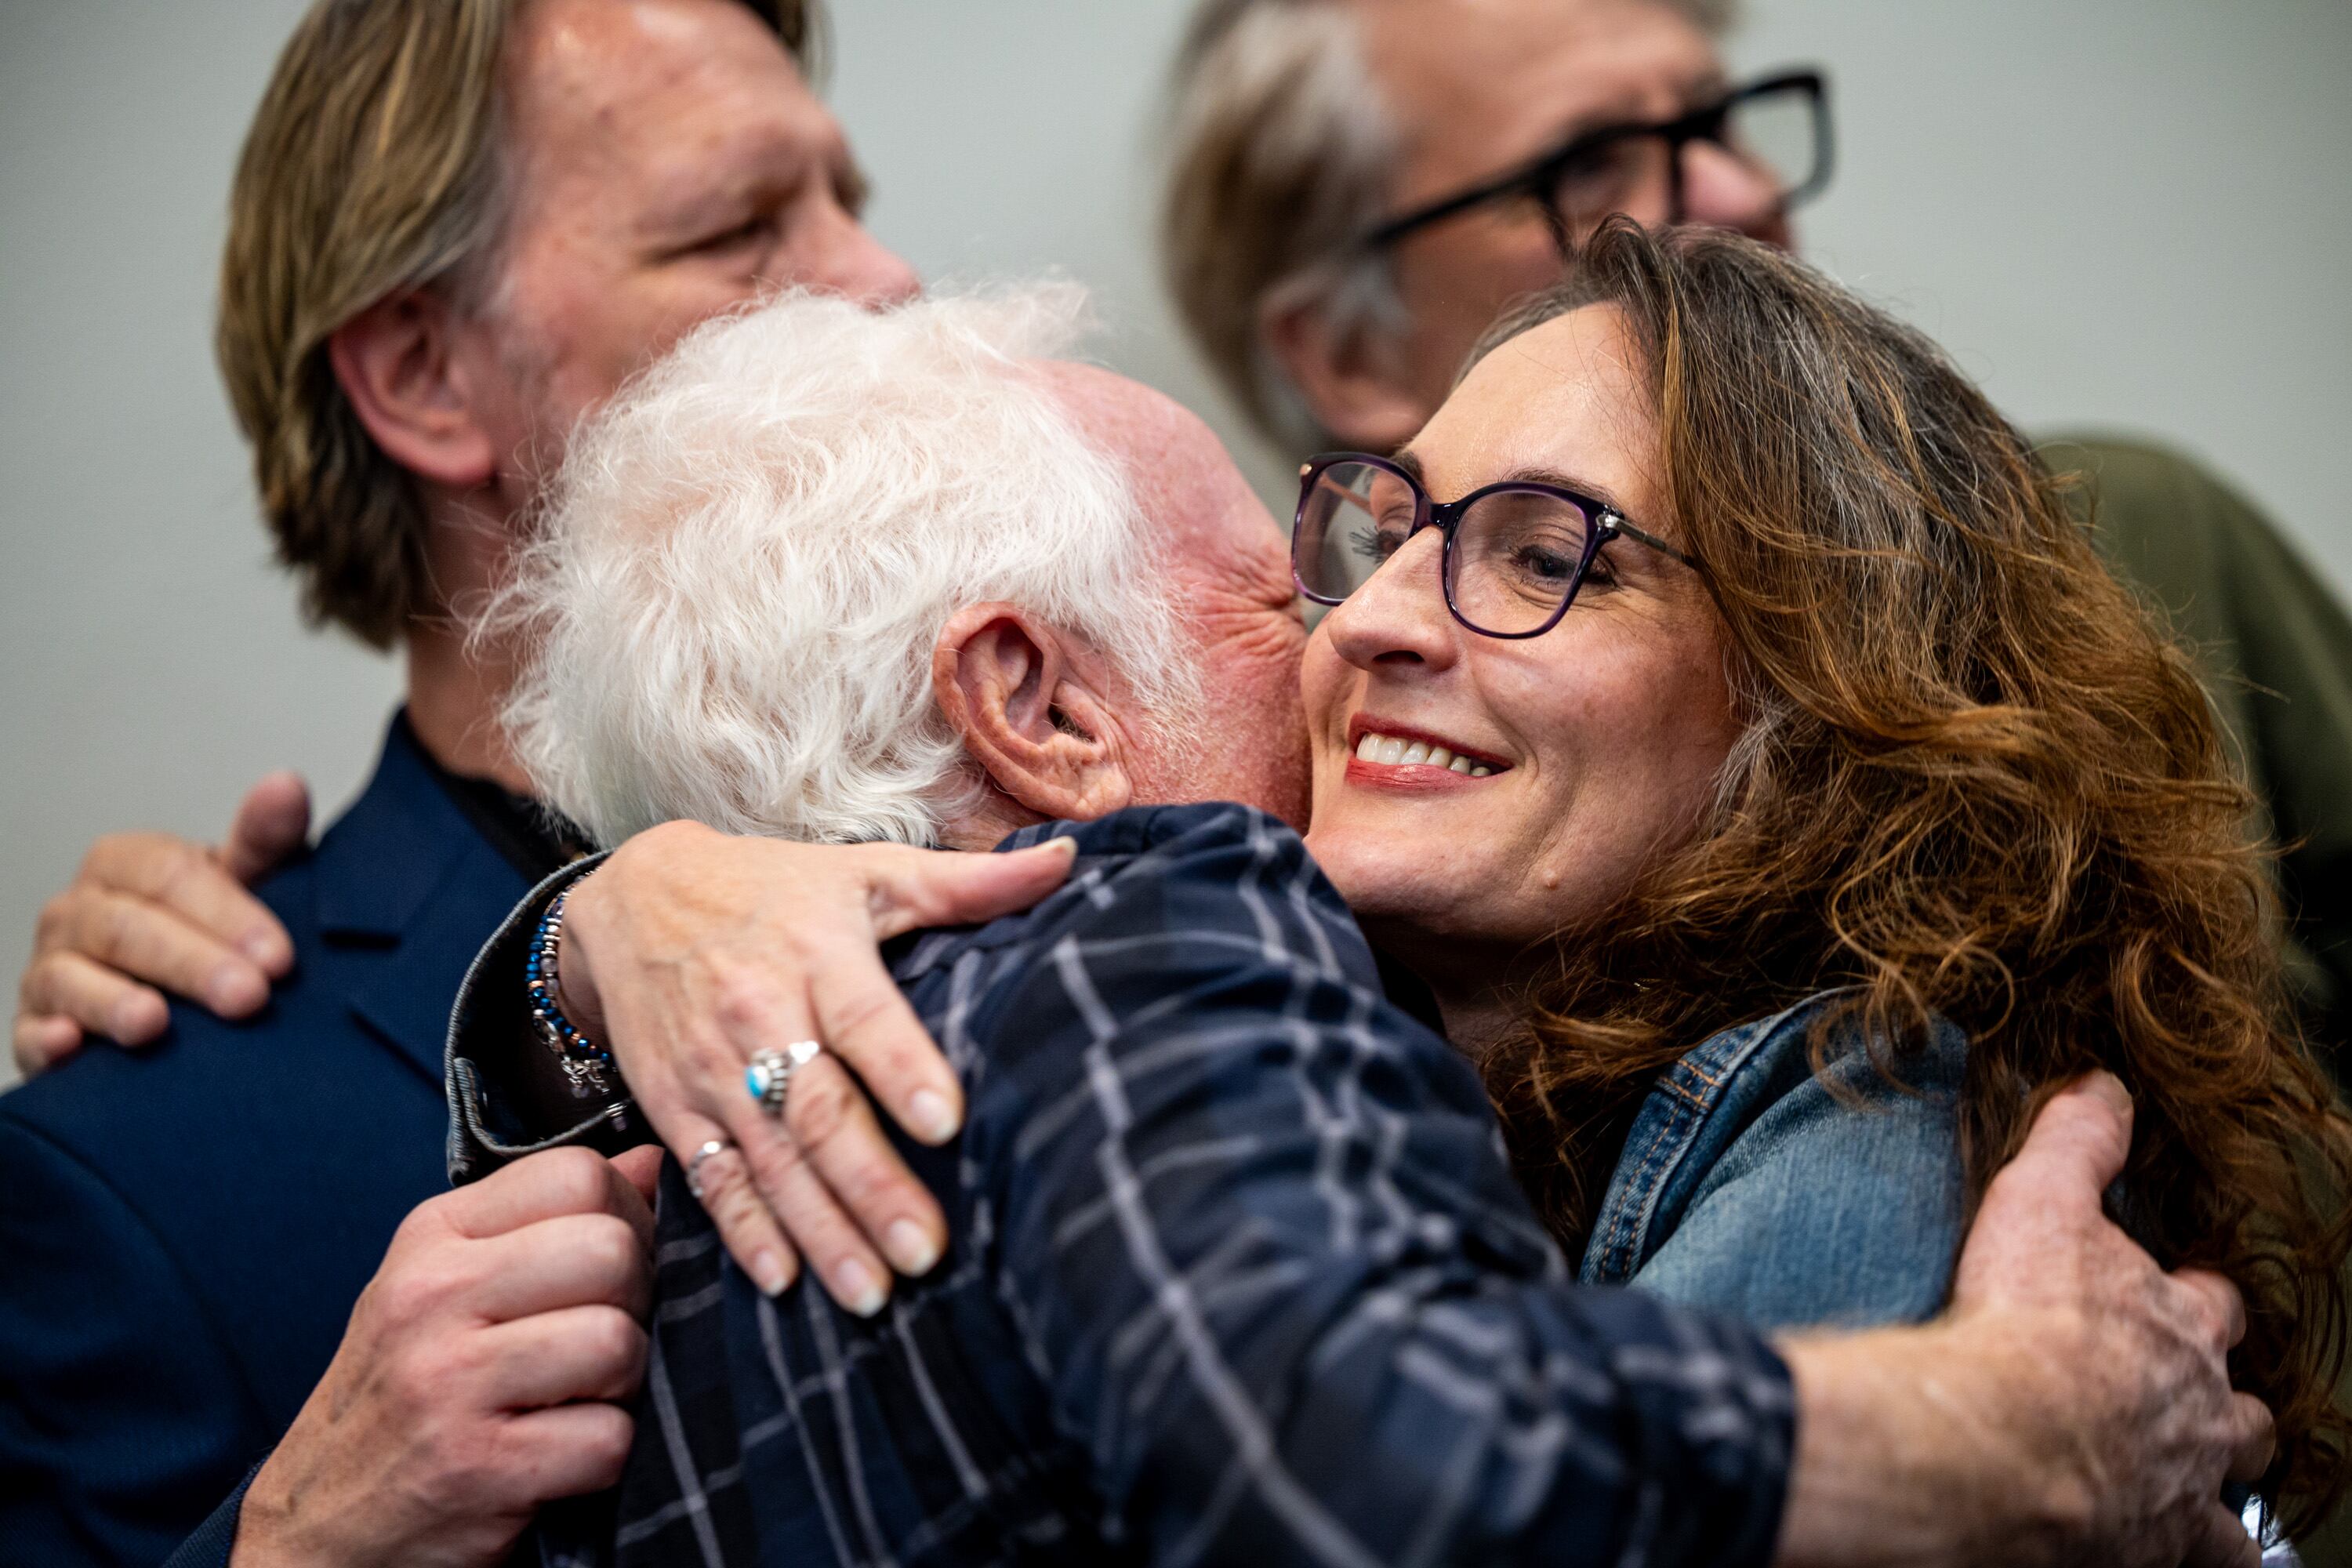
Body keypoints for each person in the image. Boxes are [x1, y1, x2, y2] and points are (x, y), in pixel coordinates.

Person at [430, 276, 2270, 1567]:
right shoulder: (1168, 951)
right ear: (1041, 708)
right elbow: (1370, 1446)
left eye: (1546, 551)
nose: (1372, 615)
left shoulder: (1853, 1096)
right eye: (1357, 544)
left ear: (1825, 687)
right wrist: (2010, 1442)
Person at [0, 2, 1007, 1563]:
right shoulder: (134, 1169)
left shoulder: (1055, 837)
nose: (882, 281)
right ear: (424, 378)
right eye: (743, 227)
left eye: (848, 204)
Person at [1158, 0, 2352, 1054]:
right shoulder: (1277, 774)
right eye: (1589, 165)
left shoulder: (2133, 540)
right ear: (1348, 351)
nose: (1740, 192)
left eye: (1719, 121)